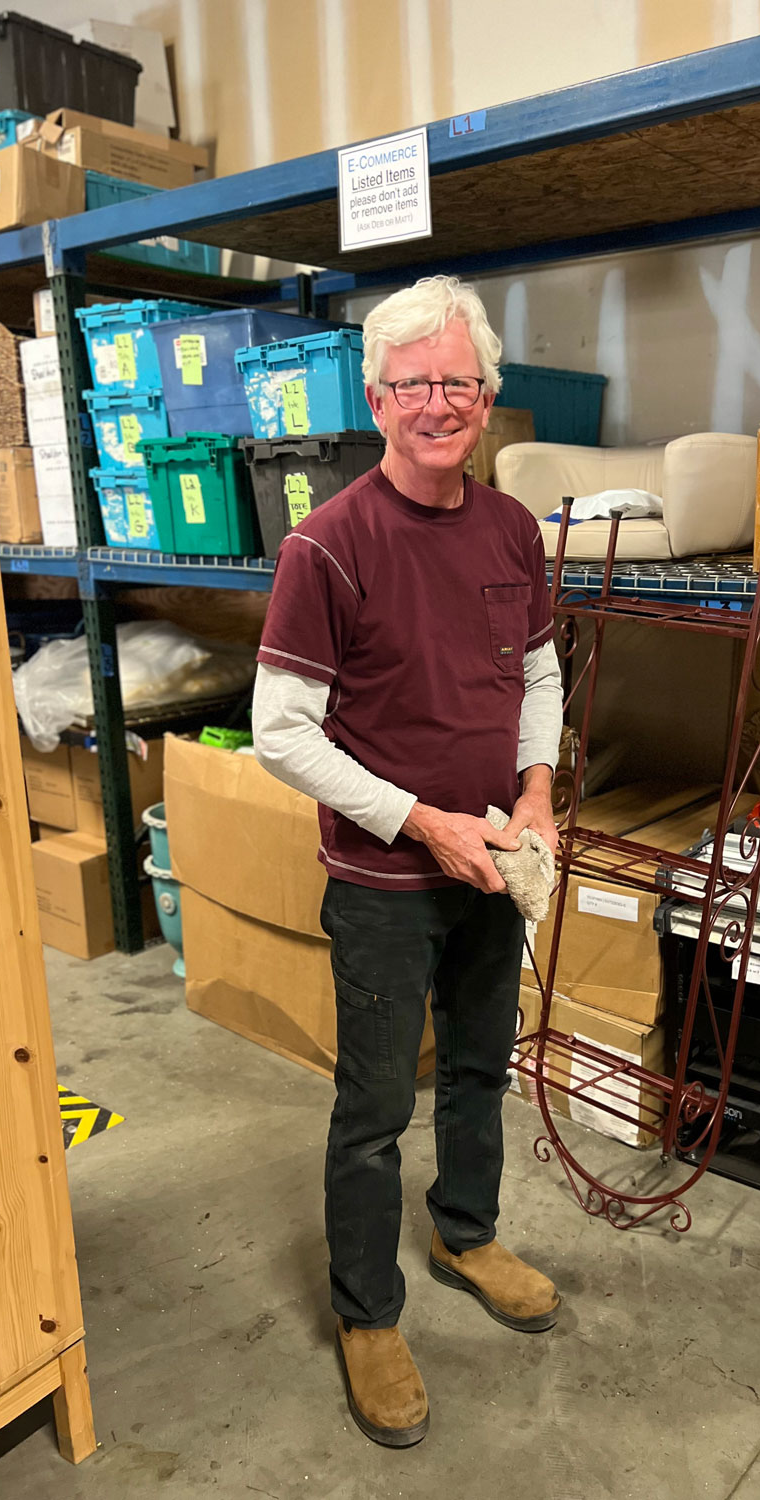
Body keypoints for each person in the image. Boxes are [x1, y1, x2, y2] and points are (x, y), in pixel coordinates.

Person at [251, 274, 564, 1449]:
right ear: (377, 399)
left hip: (494, 861)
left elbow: (535, 673)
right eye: (416, 383)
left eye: (462, 381)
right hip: (387, 879)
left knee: (483, 1068)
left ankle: (468, 1234)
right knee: (376, 1107)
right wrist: (419, 819)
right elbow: (283, 731)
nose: (442, 402)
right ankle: (367, 1313)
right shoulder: (328, 546)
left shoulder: (512, 528)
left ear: (488, 396)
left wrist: (533, 788)